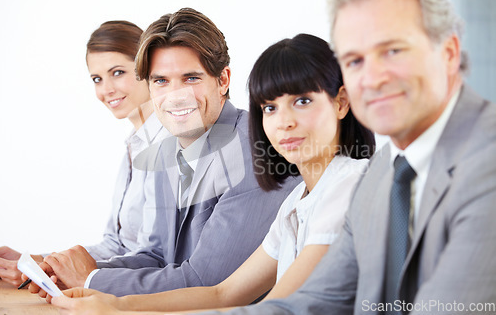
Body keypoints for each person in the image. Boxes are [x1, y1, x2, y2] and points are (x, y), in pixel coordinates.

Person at [175, 0, 495, 314]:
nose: (370, 79)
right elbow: (305, 304)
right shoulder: (383, 172)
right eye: (355, 61)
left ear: (448, 53)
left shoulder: (483, 163)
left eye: (393, 51)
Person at [49, 33, 376, 314]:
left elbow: (272, 308)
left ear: (342, 103)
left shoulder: (349, 184)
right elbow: (225, 293)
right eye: (270, 108)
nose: (284, 121)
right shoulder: (297, 200)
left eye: (302, 101)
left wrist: (108, 299)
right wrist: (111, 303)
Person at [30, 8, 299, 299]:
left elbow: (206, 281)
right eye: (161, 81)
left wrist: (91, 279)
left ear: (223, 81)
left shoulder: (256, 152)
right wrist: (66, 272)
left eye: (191, 78)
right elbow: (157, 256)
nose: (175, 95)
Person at [0, 20, 168, 287]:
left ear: (146, 69)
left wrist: (47, 271)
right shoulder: (133, 147)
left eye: (118, 72)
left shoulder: (169, 146)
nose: (106, 89)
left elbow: (155, 258)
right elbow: (116, 244)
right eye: (97, 79)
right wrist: (33, 261)